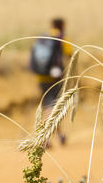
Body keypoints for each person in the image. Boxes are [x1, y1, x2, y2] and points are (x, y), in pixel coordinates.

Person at [30, 18, 72, 146]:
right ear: (62, 25)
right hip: (55, 77)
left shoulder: (43, 37)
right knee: (52, 107)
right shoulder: (61, 38)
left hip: (41, 76)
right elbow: (70, 56)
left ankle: (59, 135)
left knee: (49, 105)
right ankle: (46, 138)